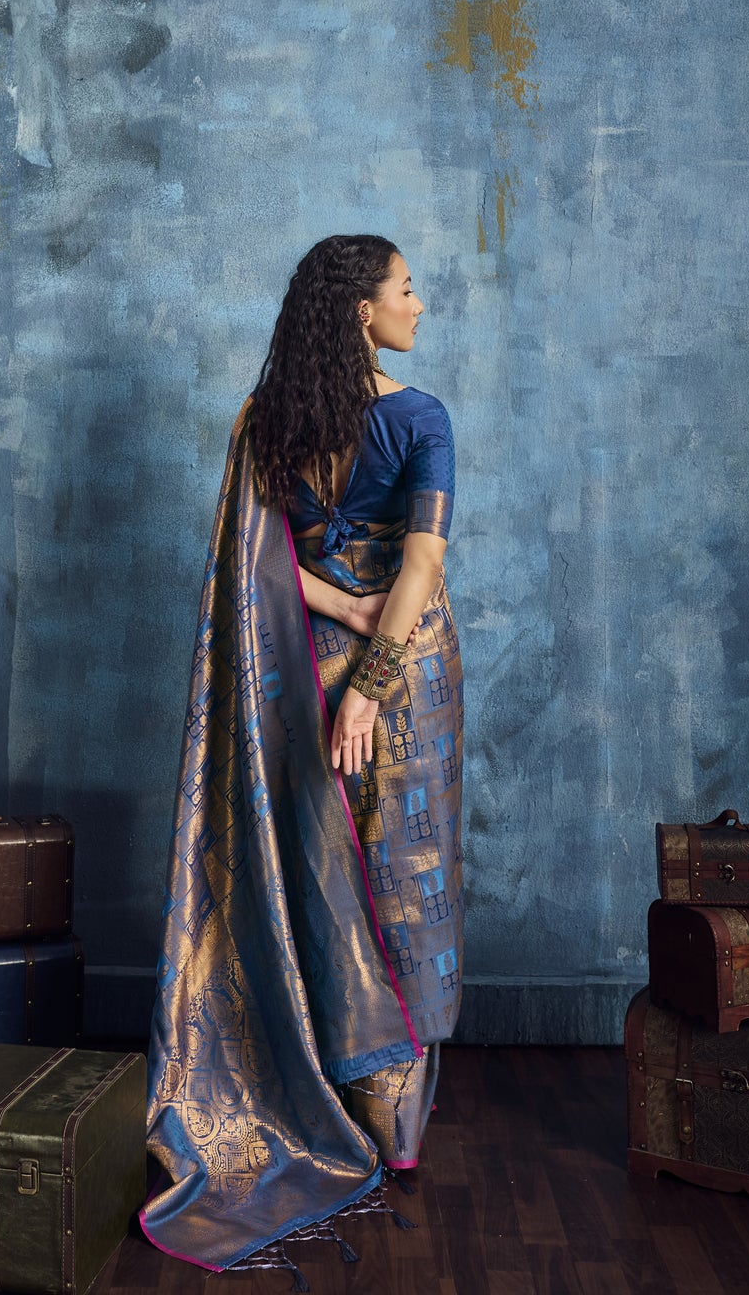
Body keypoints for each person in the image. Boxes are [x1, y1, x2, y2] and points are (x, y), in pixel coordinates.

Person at [140, 233, 463, 1277]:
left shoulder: (267, 416)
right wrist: (374, 682)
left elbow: (265, 560)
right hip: (405, 671)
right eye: (406, 289)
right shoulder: (420, 417)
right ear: (364, 311)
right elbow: (421, 565)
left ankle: (313, 1080)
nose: (419, 304)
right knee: (403, 871)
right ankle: (391, 1123)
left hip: (299, 660)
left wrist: (343, 625)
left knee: (317, 866)